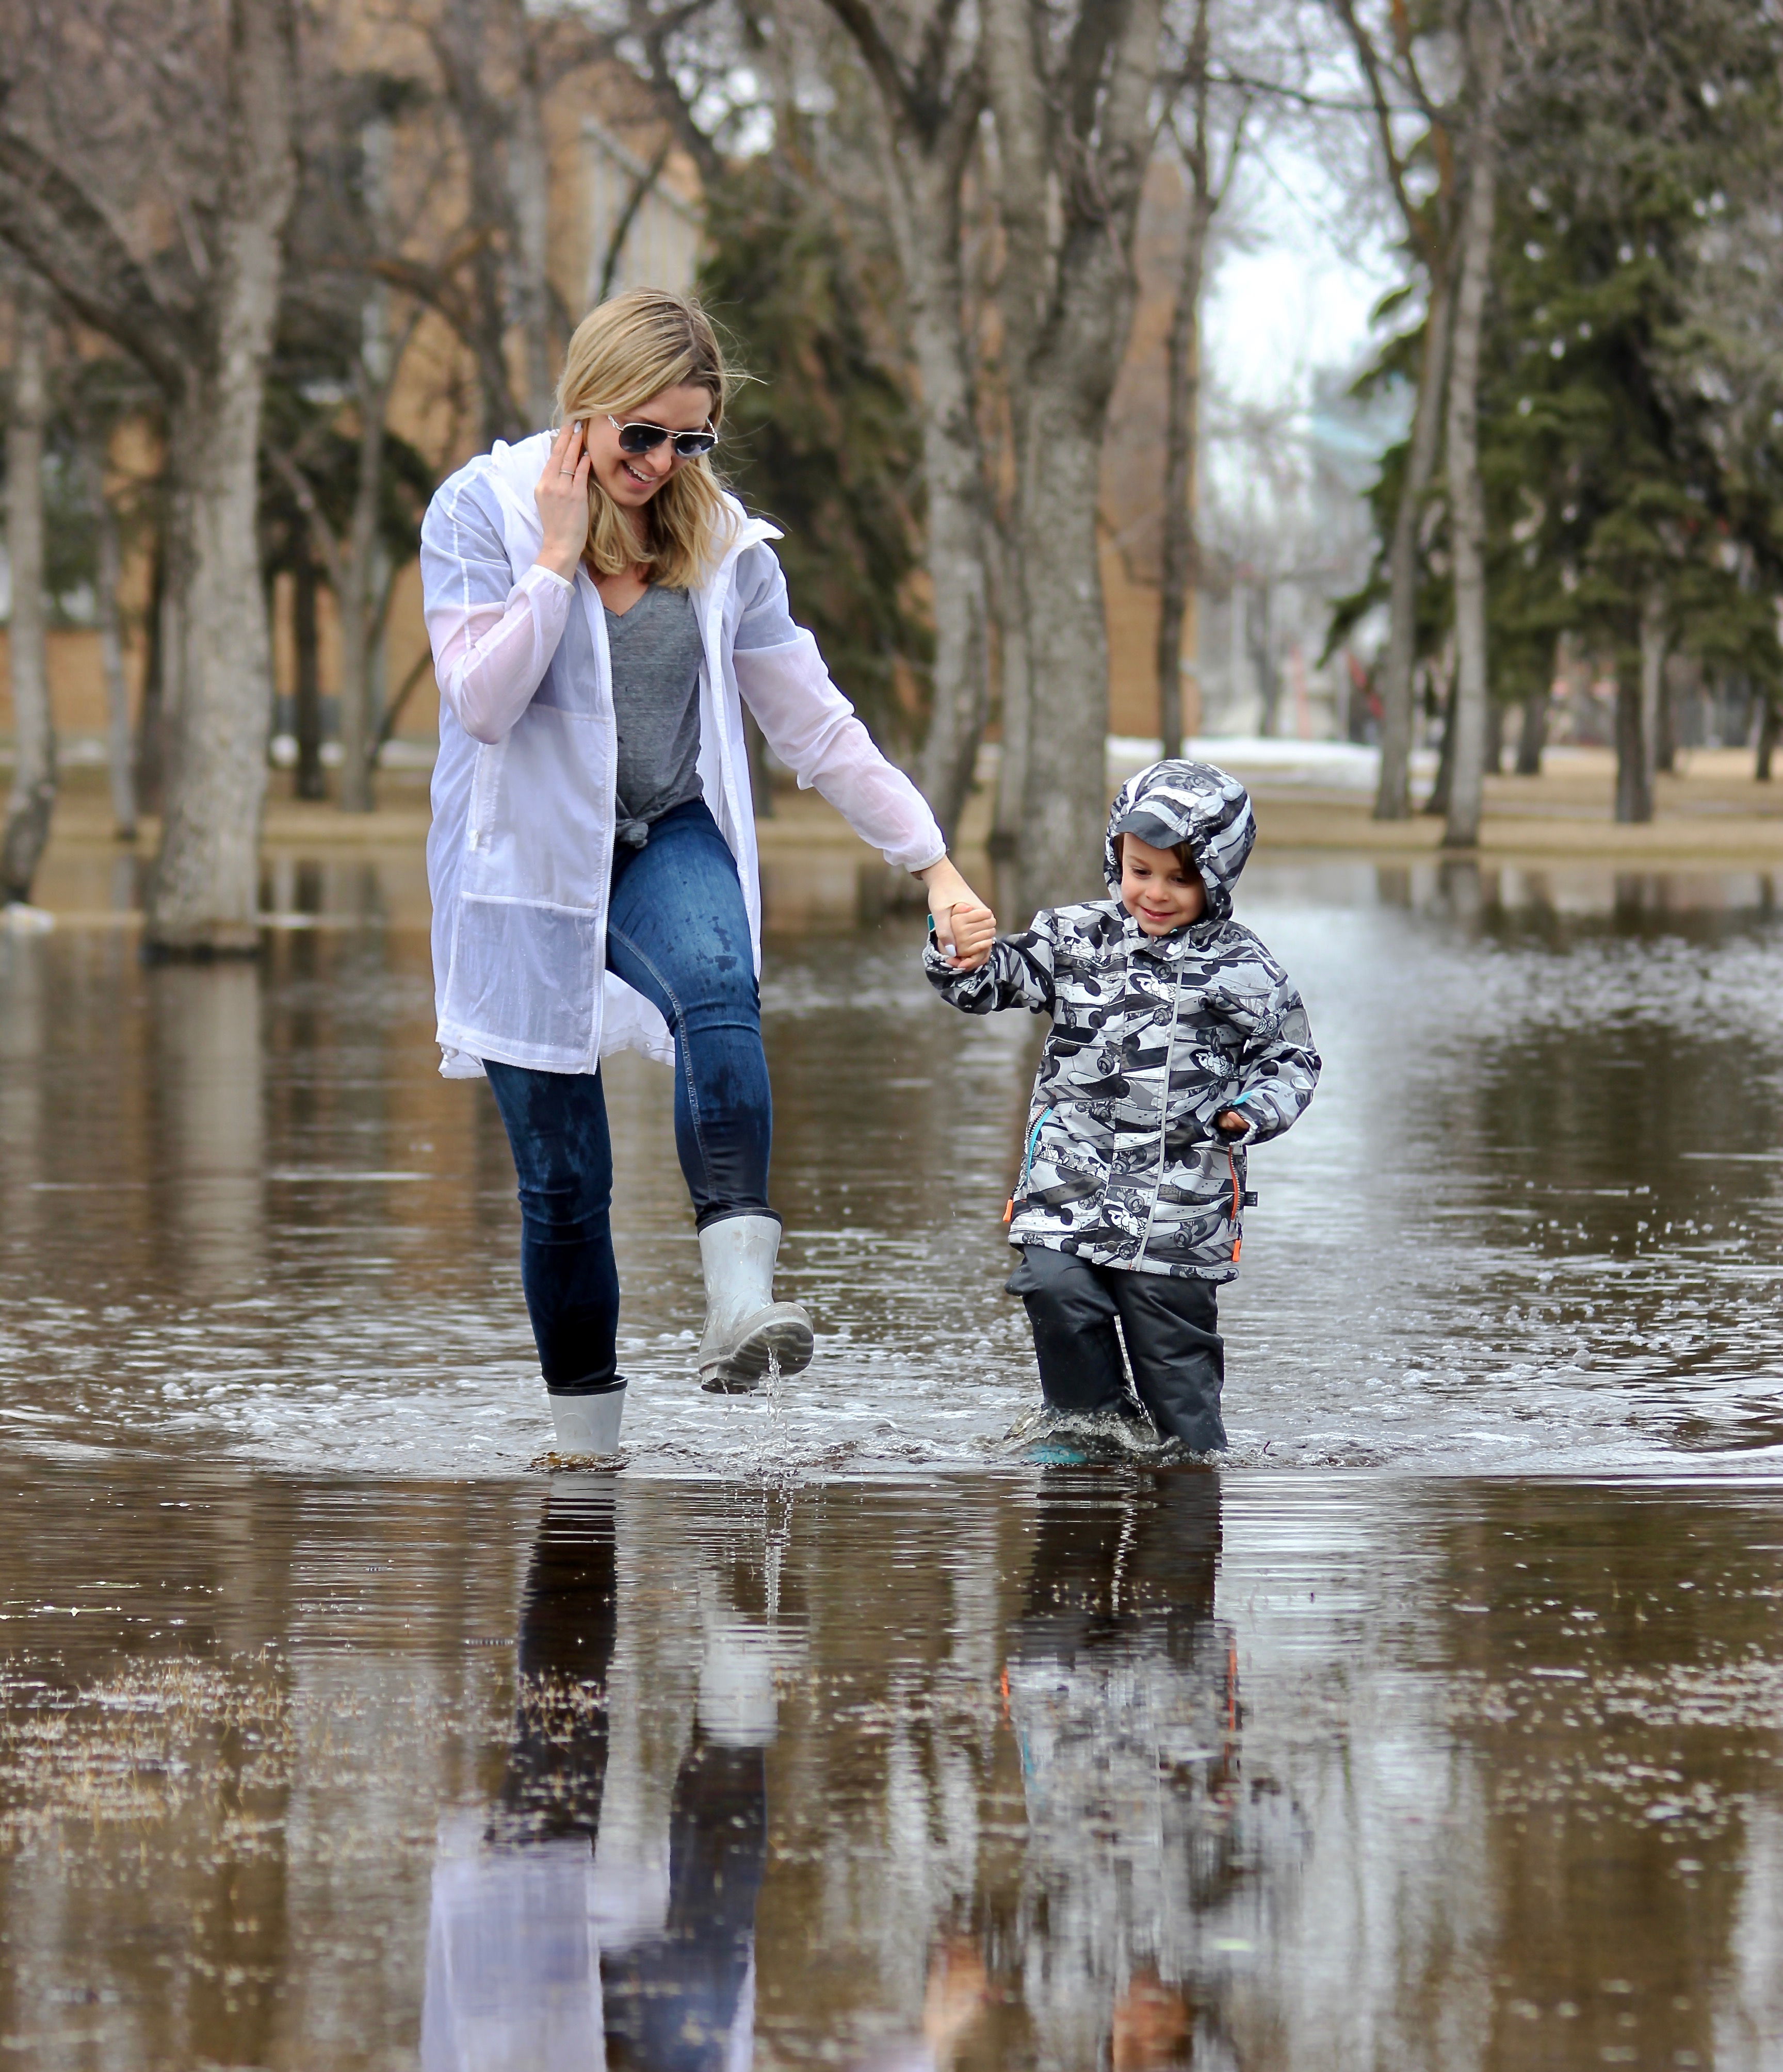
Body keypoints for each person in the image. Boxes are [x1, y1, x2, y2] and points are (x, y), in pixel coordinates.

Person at [419, 288, 996, 1458]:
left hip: (662, 831)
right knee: (567, 1184)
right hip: (521, 869)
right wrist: (552, 558)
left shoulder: (722, 543)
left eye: (691, 439)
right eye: (642, 435)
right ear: (585, 407)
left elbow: (818, 727)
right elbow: (481, 705)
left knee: (721, 993)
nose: (662, 463)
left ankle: (740, 1302)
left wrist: (934, 864)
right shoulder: (477, 512)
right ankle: (585, 1454)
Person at [926, 757, 1319, 1456]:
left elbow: (1291, 1059)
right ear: (1117, 859)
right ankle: (1091, 1429)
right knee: (1053, 1287)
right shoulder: (1075, 937)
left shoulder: (1244, 967)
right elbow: (994, 985)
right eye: (1141, 872)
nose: (1157, 894)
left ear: (1219, 878)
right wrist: (962, 951)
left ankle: (1187, 1481)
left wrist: (1248, 1113)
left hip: (1179, 1210)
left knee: (1178, 1387)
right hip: (1069, 1184)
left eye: (1181, 878)